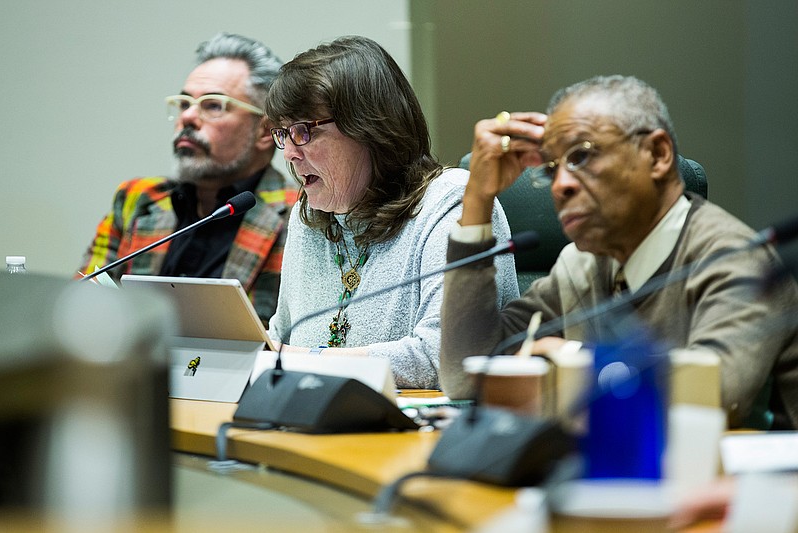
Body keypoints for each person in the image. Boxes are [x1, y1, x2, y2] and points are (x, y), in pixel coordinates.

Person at [439, 75, 798, 429]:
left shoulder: (734, 258)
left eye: (581, 156)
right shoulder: (581, 266)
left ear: (657, 155)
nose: (561, 185)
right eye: (552, 169)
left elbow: (715, 398)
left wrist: (572, 358)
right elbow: (466, 374)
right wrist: (477, 201)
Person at [264, 36, 519, 389]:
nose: (289, 153)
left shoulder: (452, 203)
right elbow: (278, 339)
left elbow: (441, 357)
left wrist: (301, 359)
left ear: (370, 128)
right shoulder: (308, 218)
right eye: (283, 134)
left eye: (303, 131)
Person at [78, 33, 297, 325]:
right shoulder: (137, 199)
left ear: (265, 131)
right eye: (184, 104)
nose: (188, 118)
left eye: (212, 105)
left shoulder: (300, 217)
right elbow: (81, 303)